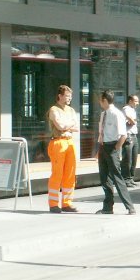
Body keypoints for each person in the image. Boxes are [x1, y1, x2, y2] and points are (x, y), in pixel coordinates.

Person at [96, 89, 136, 215]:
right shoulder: (103, 114)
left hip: (112, 146)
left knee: (117, 177)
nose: (99, 102)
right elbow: (102, 133)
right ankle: (108, 207)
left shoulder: (116, 114)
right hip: (103, 146)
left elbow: (123, 135)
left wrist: (115, 149)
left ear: (105, 100)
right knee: (104, 178)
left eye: (100, 100)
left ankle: (130, 207)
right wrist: (99, 149)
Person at [47, 84, 79, 213]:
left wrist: (67, 126)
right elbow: (60, 126)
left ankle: (67, 203)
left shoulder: (71, 110)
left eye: (70, 96)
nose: (69, 98)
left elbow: (77, 127)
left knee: (70, 174)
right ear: (59, 96)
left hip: (70, 142)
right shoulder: (54, 110)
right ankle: (53, 204)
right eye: (67, 96)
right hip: (58, 142)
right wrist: (69, 125)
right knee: (57, 174)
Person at [121, 94, 140, 187]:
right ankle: (125, 179)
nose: (137, 103)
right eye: (136, 101)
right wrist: (133, 121)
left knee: (134, 158)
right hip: (128, 136)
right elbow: (130, 119)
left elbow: (133, 121)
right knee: (127, 159)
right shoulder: (126, 108)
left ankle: (131, 178)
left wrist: (133, 121)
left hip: (134, 135)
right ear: (130, 101)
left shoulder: (133, 110)